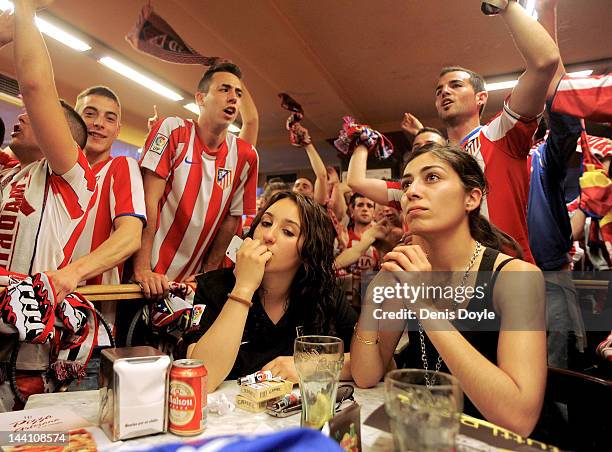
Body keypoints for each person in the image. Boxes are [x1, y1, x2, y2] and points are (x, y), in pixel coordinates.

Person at [351, 144, 546, 437]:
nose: (411, 192)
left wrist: (422, 305)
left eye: (431, 178)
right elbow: (366, 376)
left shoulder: (517, 277)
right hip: (429, 433)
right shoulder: (407, 269)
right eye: (407, 184)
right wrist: (372, 299)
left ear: (471, 198)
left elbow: (519, 419)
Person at [0, 1, 97, 409]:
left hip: (24, 354)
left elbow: (36, 85)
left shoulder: (68, 178)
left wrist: (24, 6)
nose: (22, 114)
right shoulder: (7, 175)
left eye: (36, 117)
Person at [185, 191, 357, 391]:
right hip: (230, 417)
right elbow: (200, 378)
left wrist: (310, 366)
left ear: (308, 251)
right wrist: (244, 287)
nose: (267, 236)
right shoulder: (214, 286)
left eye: (288, 232)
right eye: (266, 223)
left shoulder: (324, 292)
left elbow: (374, 363)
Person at [433, 1, 562, 263]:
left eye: (456, 85)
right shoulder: (434, 161)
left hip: (507, 278)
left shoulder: (499, 132)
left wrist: (507, 6)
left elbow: (545, 63)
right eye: (439, 90)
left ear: (481, 98)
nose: (444, 92)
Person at [134, 63, 259, 297]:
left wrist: (208, 273)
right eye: (224, 90)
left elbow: (232, 220)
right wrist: (142, 269)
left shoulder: (246, 155)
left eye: (238, 93)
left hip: (192, 285)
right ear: (201, 98)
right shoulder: (173, 130)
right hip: (146, 277)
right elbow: (148, 201)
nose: (233, 98)